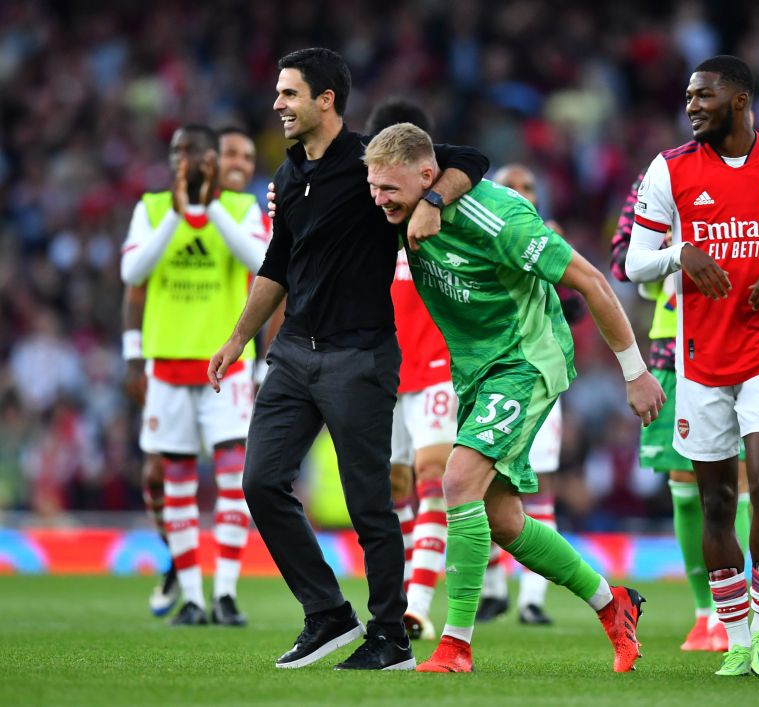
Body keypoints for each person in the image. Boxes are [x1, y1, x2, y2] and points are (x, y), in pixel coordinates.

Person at [207, 48, 488, 671]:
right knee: (259, 482)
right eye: (278, 94)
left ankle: (390, 636)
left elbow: (469, 160)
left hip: (359, 355)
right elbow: (276, 265)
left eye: (289, 94)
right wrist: (236, 339)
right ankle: (328, 614)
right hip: (292, 355)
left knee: (369, 503)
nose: (277, 104)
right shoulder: (286, 178)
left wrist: (434, 202)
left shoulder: (370, 163)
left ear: (326, 99)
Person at [363, 122, 664, 673]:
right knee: (502, 519)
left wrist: (634, 371)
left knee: (455, 481)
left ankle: (455, 647)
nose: (379, 200)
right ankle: (612, 602)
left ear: (428, 178)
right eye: (374, 187)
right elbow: (458, 155)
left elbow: (592, 281)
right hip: (476, 370)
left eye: (390, 190)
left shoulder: (497, 217)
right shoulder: (399, 208)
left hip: (526, 362)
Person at [625, 55, 759, 677]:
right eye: (689, 96)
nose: (691, 105)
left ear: (740, 101)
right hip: (699, 361)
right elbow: (636, 262)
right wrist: (679, 255)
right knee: (717, 502)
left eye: (704, 96)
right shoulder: (669, 170)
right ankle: (737, 632)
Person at [120, 124, 270, 626]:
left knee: (233, 479)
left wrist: (208, 214)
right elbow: (132, 274)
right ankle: (191, 596)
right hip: (167, 364)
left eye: (192, 152)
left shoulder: (243, 211)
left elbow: (261, 261)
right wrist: (182, 216)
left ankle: (225, 594)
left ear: (211, 159)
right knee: (176, 482)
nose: (182, 159)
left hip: (225, 367)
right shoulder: (152, 208)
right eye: (175, 152)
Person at [610, 169, 751, 653]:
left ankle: (743, 609)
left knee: (742, 479)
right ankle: (705, 613)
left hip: (738, 337)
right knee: (686, 485)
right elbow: (621, 260)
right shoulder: (648, 187)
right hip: (674, 346)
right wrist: (672, 254)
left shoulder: (753, 181)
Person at [476, 162, 586, 627]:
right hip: (487, 379)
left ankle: (532, 600)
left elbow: (576, 311)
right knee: (482, 486)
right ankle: (496, 590)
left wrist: (558, 267)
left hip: (538, 380)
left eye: (529, 186)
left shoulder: (547, 242)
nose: (521, 192)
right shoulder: (481, 238)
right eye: (510, 186)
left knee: (537, 485)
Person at [364, 99, 456, 643]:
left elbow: (472, 159)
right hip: (382, 369)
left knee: (432, 479)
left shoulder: (442, 203)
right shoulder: (367, 211)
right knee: (391, 487)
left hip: (437, 365)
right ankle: (395, 598)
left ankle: (417, 605)